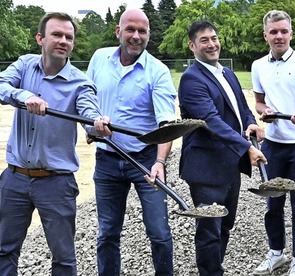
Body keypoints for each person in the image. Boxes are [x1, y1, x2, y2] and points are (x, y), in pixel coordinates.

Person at [0, 12, 111, 275]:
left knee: (63, 259)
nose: (63, 41)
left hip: (56, 183)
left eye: (69, 37)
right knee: (4, 251)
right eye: (57, 35)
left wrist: (96, 124)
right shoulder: (25, 66)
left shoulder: (81, 82)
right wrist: (23, 95)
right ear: (40, 38)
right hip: (14, 179)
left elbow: (88, 113)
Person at [85, 9, 176, 276]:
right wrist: (90, 127)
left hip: (145, 159)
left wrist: (160, 162)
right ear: (118, 31)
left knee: (159, 232)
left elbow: (166, 125)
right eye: (130, 30)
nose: (136, 36)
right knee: (108, 232)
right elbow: (86, 101)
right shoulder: (99, 58)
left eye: (142, 31)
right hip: (108, 160)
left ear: (148, 35)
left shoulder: (157, 71)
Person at [178, 20, 267, 275]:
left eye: (214, 38)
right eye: (204, 40)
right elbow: (211, 121)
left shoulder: (227, 73)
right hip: (206, 169)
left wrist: (250, 125)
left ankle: (215, 268)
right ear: (192, 45)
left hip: (229, 164)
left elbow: (242, 108)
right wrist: (246, 148)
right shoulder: (191, 79)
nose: (211, 44)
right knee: (209, 231)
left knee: (225, 225)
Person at [251, 10, 295, 276]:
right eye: (274, 32)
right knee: (273, 205)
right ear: (266, 34)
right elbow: (258, 102)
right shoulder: (258, 66)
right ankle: (276, 253)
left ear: (291, 33)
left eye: (284, 31)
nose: (279, 36)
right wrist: (263, 110)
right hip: (273, 145)